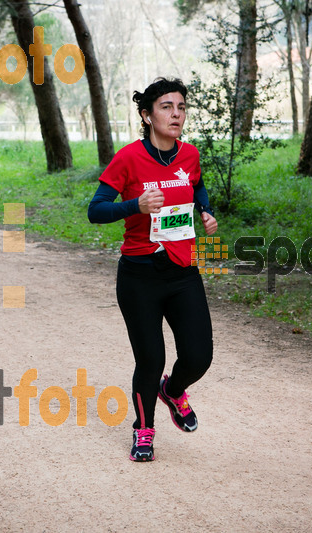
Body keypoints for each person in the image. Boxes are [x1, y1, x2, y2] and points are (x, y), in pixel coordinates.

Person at [88, 77, 218, 462]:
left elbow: (197, 187)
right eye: (166, 107)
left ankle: (173, 391)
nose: (175, 114)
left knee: (199, 356)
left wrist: (205, 211)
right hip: (139, 276)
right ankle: (143, 431)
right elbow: (96, 211)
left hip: (182, 272)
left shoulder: (190, 155)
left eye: (180, 107)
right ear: (146, 115)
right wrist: (135, 206)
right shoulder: (128, 158)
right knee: (151, 359)